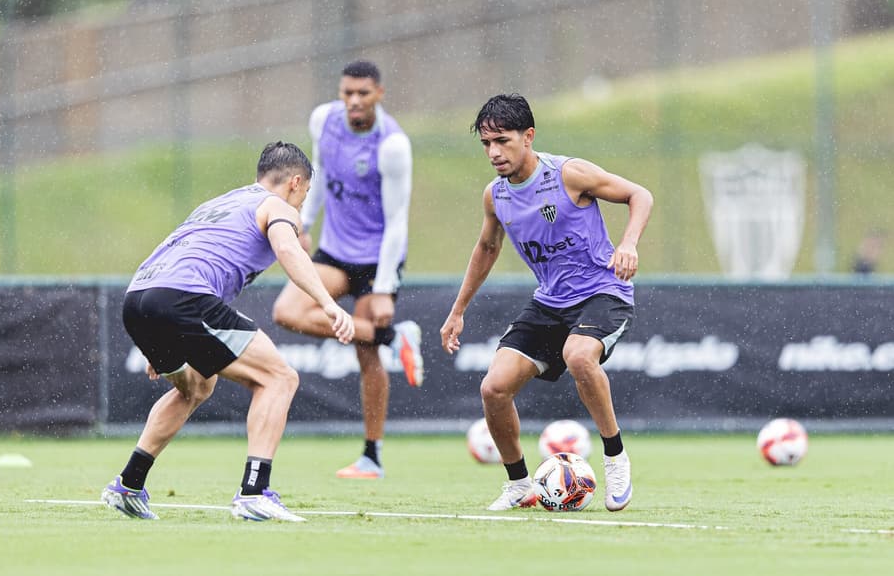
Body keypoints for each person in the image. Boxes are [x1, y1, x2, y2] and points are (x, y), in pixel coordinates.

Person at [101, 141, 355, 522]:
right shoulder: (278, 206)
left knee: (198, 386)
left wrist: (156, 334)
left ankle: (129, 484)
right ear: (295, 182)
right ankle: (254, 492)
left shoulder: (223, 202)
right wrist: (328, 303)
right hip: (181, 296)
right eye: (302, 195)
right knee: (279, 377)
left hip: (139, 297)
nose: (300, 204)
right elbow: (289, 251)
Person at [439, 94, 653, 512]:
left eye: (502, 140)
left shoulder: (569, 174)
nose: (494, 152)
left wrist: (629, 243)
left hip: (602, 292)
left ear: (529, 136)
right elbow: (486, 248)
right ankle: (519, 485)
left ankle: (614, 457)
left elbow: (639, 195)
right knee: (494, 388)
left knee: (578, 355)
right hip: (550, 302)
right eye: (486, 144)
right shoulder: (495, 196)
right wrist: (458, 310)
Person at [272, 60, 423, 480]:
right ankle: (396, 338)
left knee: (367, 354)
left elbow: (397, 220)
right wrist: (302, 222)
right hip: (335, 252)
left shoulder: (392, 145)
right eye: (347, 93)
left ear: (379, 94)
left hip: (377, 260)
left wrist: (388, 283)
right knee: (287, 312)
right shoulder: (324, 120)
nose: (354, 101)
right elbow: (318, 178)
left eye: (363, 93)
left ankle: (371, 457)